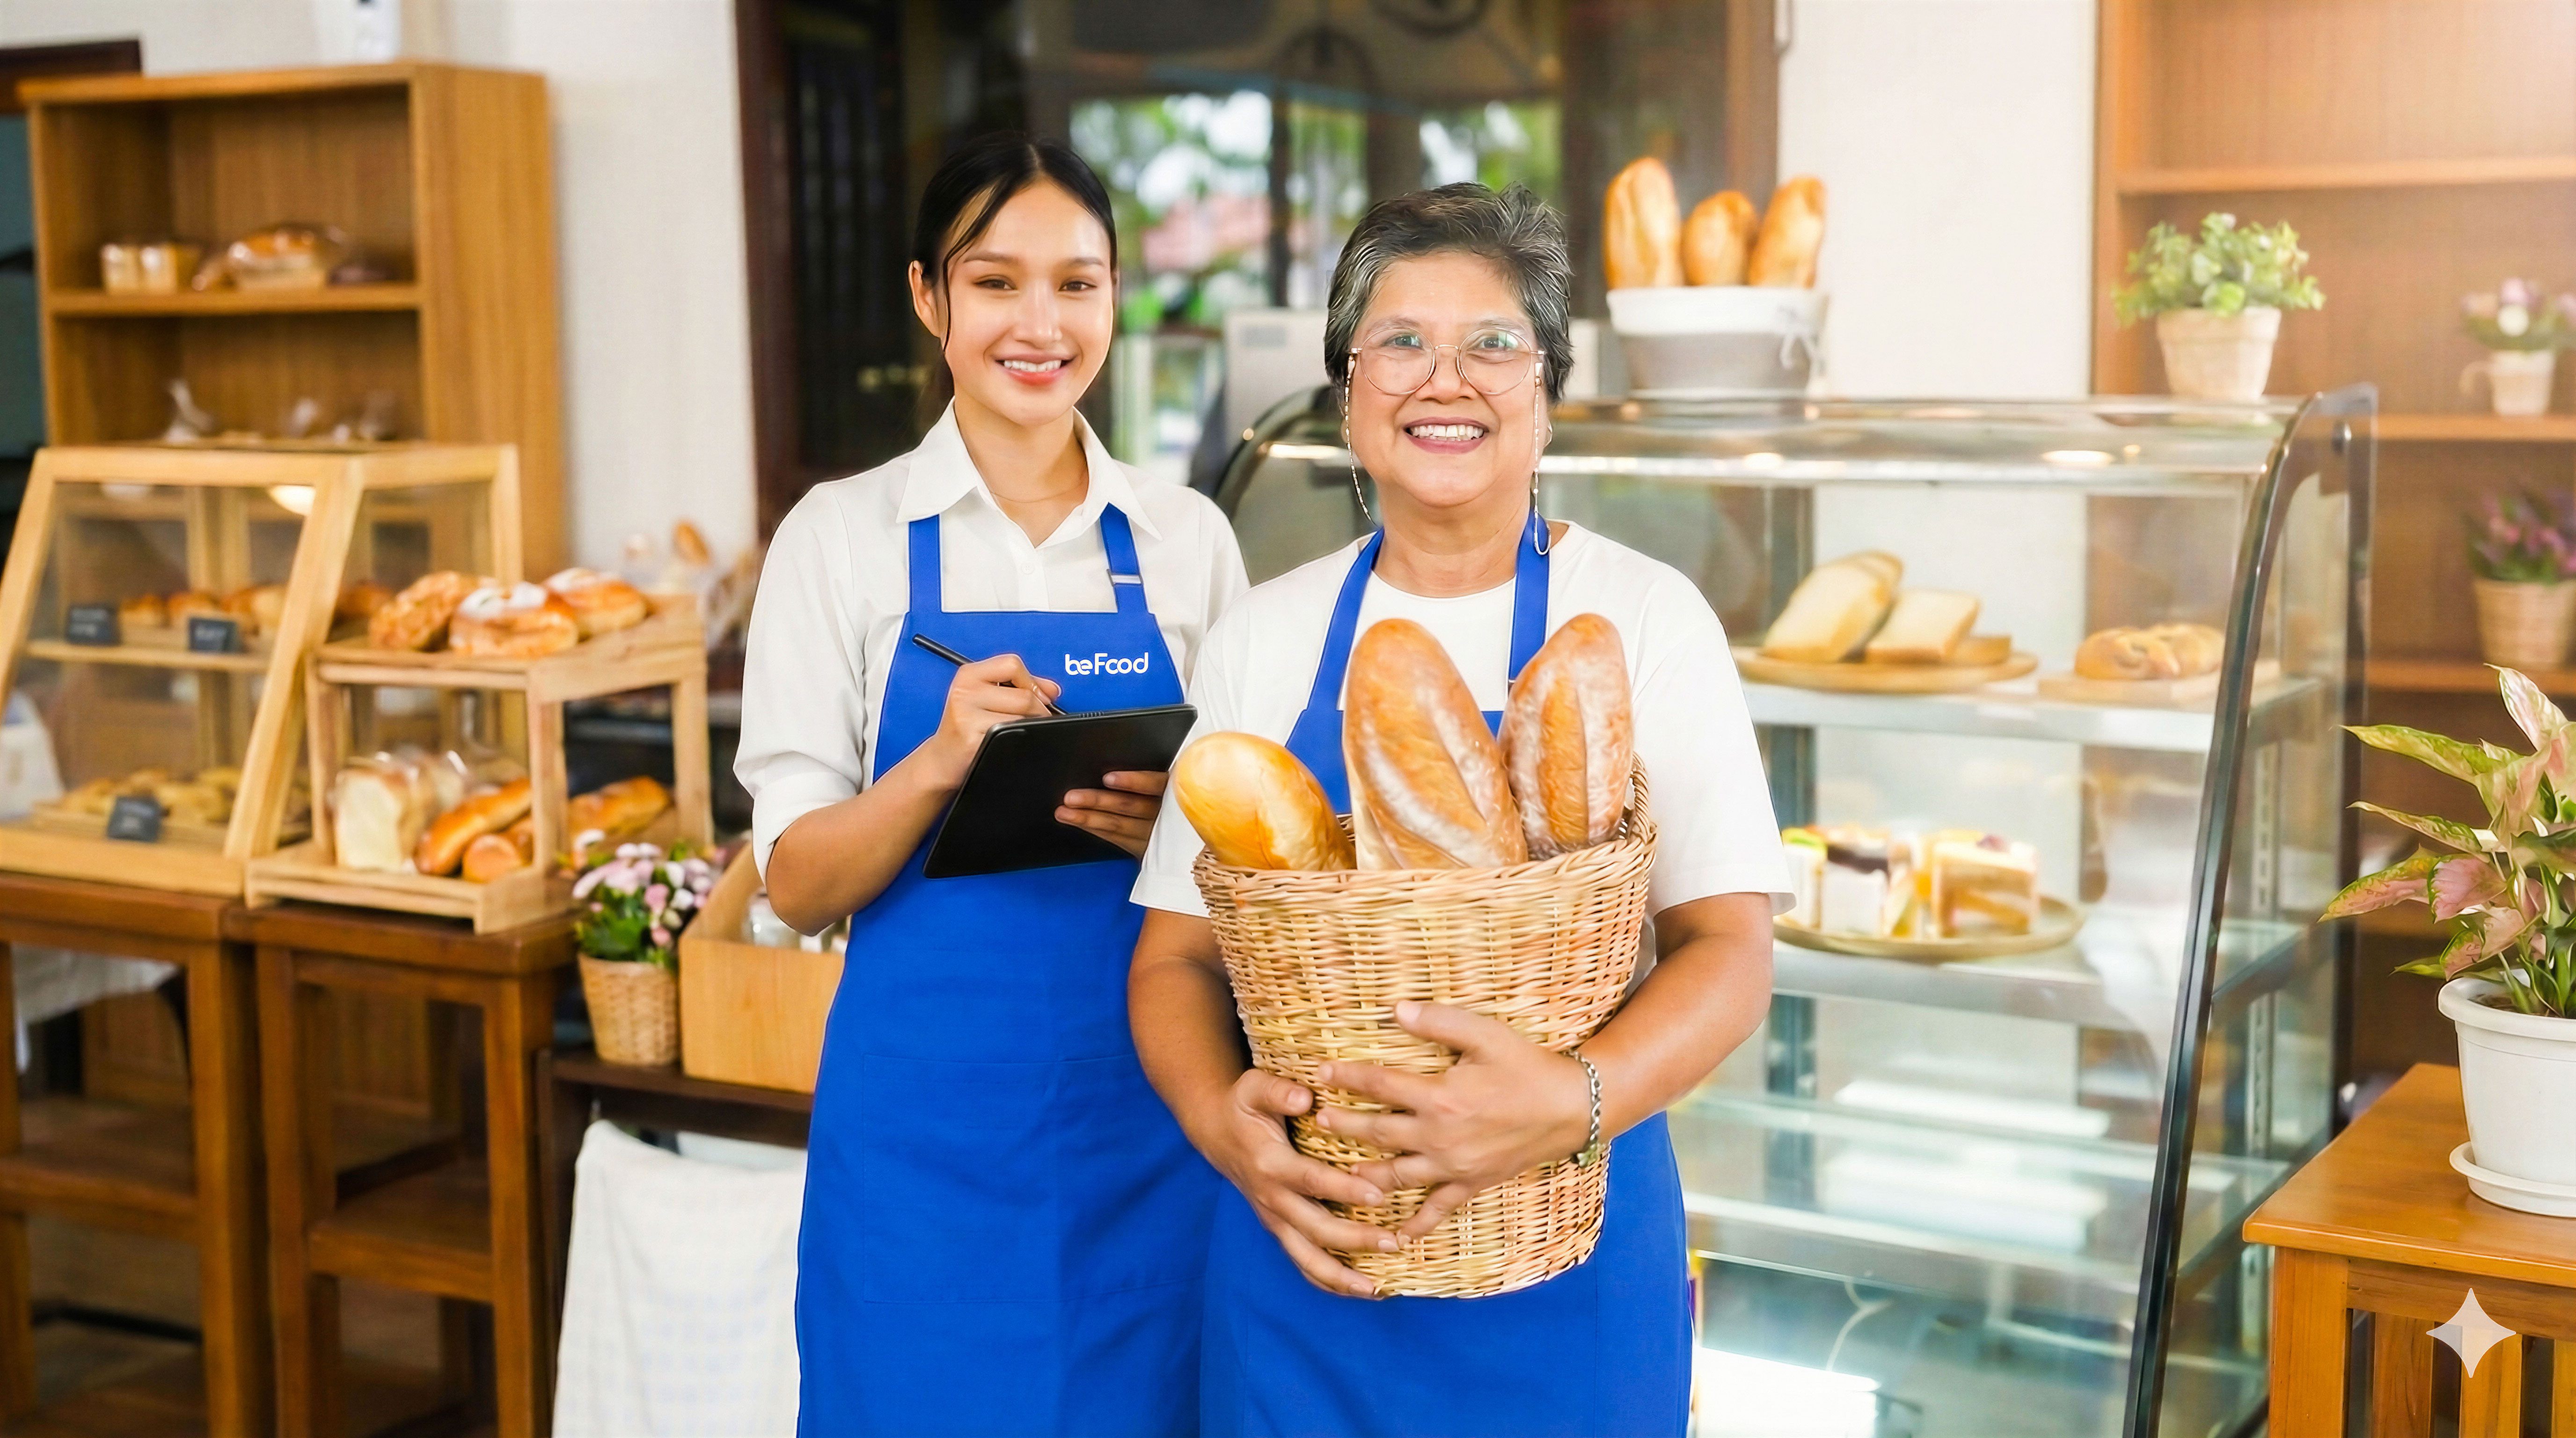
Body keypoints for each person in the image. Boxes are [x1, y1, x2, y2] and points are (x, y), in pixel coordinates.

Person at [1127, 183, 1786, 1437]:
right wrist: (1224, 1126)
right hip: (1310, 1264)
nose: (1448, 380)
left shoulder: (1644, 620)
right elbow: (1171, 960)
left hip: (1571, 1268)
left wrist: (1569, 1099)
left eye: (1494, 345)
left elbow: (1731, 953)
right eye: (1401, 343)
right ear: (1346, 391)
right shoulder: (1266, 636)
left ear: (1547, 392)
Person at [736, 132, 1249, 1436]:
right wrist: (942, 759)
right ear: (930, 298)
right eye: (997, 282)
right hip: (920, 1145)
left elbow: (1257, 851)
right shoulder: (840, 539)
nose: (1041, 322)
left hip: (1148, 1121)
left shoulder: (1185, 541)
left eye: (1079, 284)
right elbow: (795, 886)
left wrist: (1175, 832)